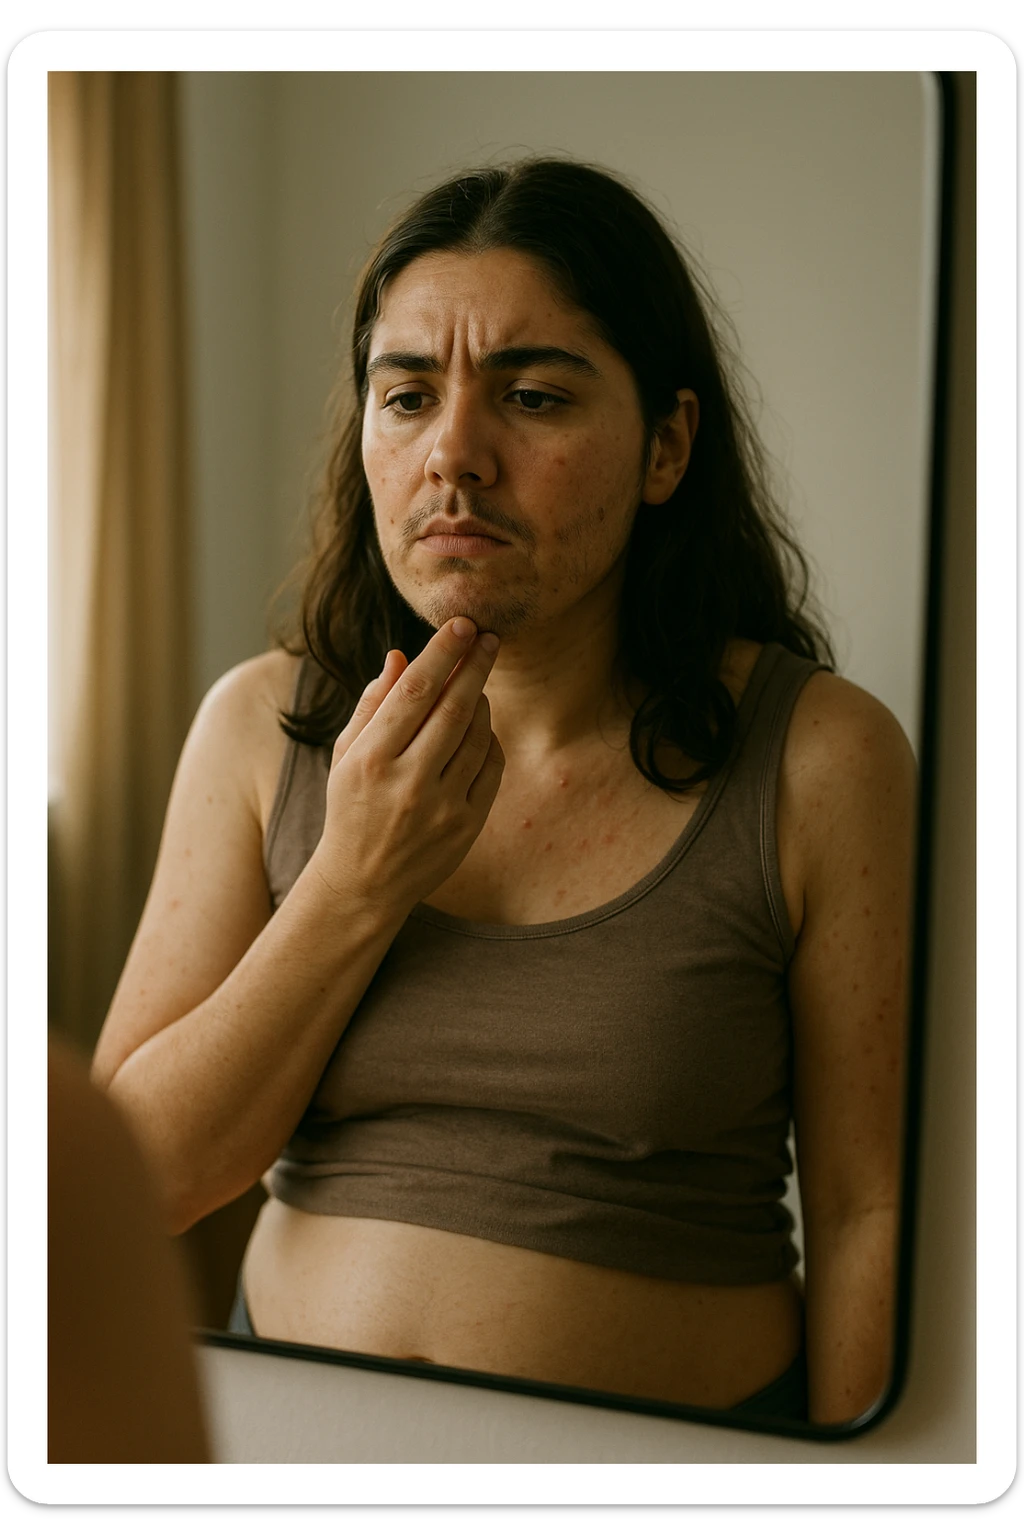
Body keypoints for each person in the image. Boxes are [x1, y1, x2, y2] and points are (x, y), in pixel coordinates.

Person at [91, 159, 915, 1425]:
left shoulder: (822, 760)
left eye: (531, 396)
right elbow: (127, 1179)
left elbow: (872, 1209)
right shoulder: (261, 727)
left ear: (666, 448)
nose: (455, 456)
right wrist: (354, 881)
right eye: (407, 395)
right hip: (283, 1441)